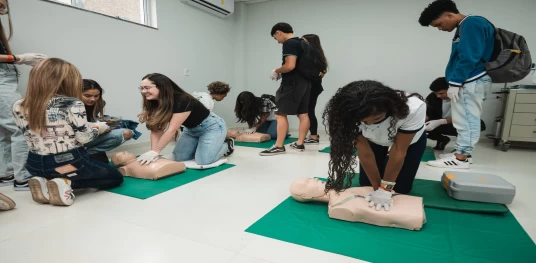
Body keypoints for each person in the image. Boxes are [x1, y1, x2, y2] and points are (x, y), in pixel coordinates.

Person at [12, 58, 123, 206]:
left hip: (34, 163)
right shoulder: (72, 103)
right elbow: (85, 138)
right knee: (114, 177)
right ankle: (65, 182)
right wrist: (98, 128)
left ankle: (44, 180)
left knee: (59, 169)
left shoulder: (19, 104)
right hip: (67, 162)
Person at [322, 80, 427, 211]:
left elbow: (399, 152)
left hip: (410, 141)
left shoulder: (414, 109)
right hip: (373, 139)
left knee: (401, 188)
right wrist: (378, 189)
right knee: (366, 184)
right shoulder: (346, 113)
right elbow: (365, 153)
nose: (369, 124)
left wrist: (386, 189)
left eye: (376, 119)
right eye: (364, 121)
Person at [419, 0, 494, 169]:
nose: (439, 28)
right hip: (469, 79)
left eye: (439, 24)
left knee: (467, 118)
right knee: (463, 118)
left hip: (471, 79)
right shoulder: (464, 26)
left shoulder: (471, 23)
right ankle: (462, 154)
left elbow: (468, 56)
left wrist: (455, 82)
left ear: (449, 14)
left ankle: (460, 158)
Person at [0, 0, 48, 190]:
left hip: (6, 73)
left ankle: (6, 174)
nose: (3, 10)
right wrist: (18, 59)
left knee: (4, 130)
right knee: (20, 126)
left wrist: (12, 63)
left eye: (4, 6)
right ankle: (23, 178)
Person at [137, 73, 233, 166]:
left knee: (204, 160)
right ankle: (205, 146)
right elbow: (156, 129)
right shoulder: (154, 102)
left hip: (211, 127)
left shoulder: (182, 100)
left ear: (162, 87)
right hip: (191, 130)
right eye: (141, 88)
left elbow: (172, 129)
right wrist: (154, 152)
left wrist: (156, 151)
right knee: (179, 158)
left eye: (147, 88)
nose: (143, 91)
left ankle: (226, 144)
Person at [261, 22, 311, 156]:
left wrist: (277, 71)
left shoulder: (289, 43)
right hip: (305, 82)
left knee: (279, 114)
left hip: (292, 83)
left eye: (275, 38)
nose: (277, 42)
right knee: (303, 113)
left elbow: (290, 66)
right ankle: (300, 144)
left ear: (279, 32)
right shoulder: (303, 42)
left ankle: (278, 146)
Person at [425, 77, 486, 153]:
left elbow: (467, 117)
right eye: (436, 93)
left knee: (468, 125)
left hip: (459, 123)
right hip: (442, 123)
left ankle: (461, 150)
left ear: (451, 89)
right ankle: (442, 139)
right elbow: (428, 113)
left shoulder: (464, 97)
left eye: (441, 93)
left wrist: (441, 121)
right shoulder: (433, 97)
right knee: (424, 127)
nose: (438, 96)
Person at [81, 79, 133, 162]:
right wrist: (97, 127)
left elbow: (93, 119)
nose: (93, 99)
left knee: (128, 131)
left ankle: (90, 152)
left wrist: (105, 125)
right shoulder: (70, 107)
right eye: (87, 96)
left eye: (96, 96)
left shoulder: (99, 103)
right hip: (75, 139)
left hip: (90, 134)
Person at [301, 34, 328, 145]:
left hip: (311, 88)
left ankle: (313, 136)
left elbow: (310, 74)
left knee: (307, 112)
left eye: (304, 41)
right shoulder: (319, 56)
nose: (301, 44)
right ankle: (312, 135)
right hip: (314, 88)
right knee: (308, 111)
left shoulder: (312, 57)